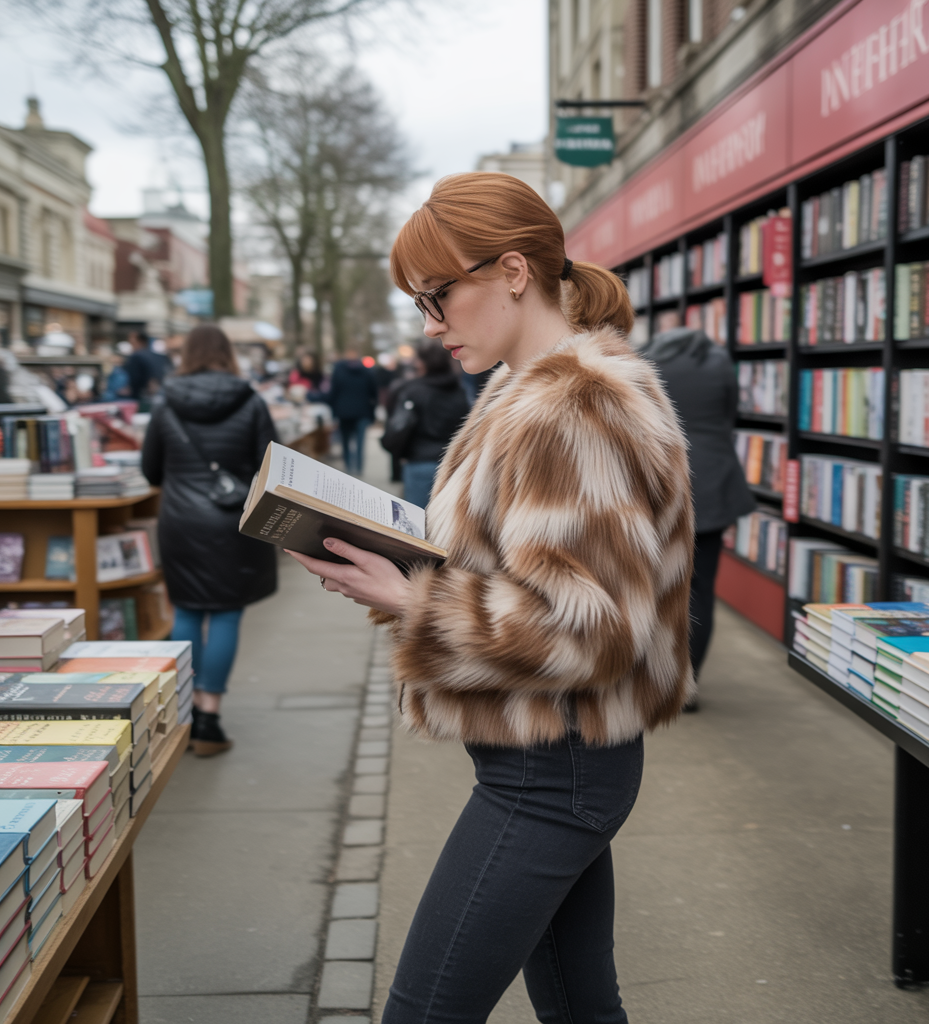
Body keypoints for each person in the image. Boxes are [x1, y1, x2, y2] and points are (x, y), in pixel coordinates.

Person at [286, 171, 695, 1023]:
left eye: (437, 296)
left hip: (553, 764)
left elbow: (588, 631)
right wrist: (399, 572)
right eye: (419, 304)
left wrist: (416, 601)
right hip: (554, 755)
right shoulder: (533, 389)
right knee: (581, 1006)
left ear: (512, 271)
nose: (429, 326)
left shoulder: (570, 406)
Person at [141, 325, 278, 756]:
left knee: (185, 611)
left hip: (181, 522)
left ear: (186, 355)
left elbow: (150, 470)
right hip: (232, 522)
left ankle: (183, 712)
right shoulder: (251, 401)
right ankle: (209, 719)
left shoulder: (165, 403)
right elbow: (272, 465)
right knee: (226, 613)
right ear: (227, 354)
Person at [638, 326, 755, 711]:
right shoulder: (719, 362)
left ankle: (654, 678)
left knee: (658, 585)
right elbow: (729, 417)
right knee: (701, 589)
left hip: (663, 482)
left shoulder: (647, 360)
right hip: (713, 486)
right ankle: (688, 688)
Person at [384, 338, 469, 508]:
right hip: (451, 464)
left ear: (422, 362)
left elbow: (398, 428)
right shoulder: (459, 391)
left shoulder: (412, 391)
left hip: (419, 463)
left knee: (416, 519)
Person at [327, 349, 378, 474]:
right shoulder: (366, 371)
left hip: (344, 412)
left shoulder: (338, 370)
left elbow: (333, 393)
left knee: (346, 441)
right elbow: (373, 393)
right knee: (359, 442)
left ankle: (349, 466)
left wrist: (334, 413)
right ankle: (358, 467)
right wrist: (372, 413)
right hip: (362, 411)